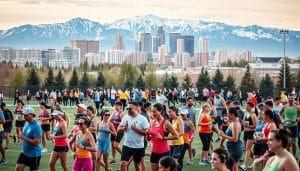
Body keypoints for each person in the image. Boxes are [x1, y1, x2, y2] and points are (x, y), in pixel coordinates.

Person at [117, 101, 149, 171]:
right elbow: (118, 129)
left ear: (136, 108)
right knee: (123, 164)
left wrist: (136, 129)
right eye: (127, 108)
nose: (128, 110)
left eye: (130, 109)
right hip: (127, 145)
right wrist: (123, 128)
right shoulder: (126, 117)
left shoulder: (143, 119)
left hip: (138, 146)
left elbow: (147, 133)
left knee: (137, 165)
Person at [15, 106, 42, 171]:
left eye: (26, 115)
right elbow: (24, 133)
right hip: (25, 152)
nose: (24, 116)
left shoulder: (37, 126)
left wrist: (23, 137)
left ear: (31, 114)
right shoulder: (27, 123)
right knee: (18, 169)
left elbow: (37, 142)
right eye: (24, 115)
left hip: (34, 155)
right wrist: (21, 134)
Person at [241, 101, 258, 170]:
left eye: (247, 106)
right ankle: (256, 160)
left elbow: (255, 126)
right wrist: (242, 123)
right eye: (246, 106)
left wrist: (248, 125)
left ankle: (244, 165)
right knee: (247, 148)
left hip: (251, 133)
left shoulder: (253, 115)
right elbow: (243, 123)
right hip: (245, 132)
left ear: (251, 107)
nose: (246, 107)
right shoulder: (246, 114)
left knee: (248, 148)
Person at [168, 106, 184, 171]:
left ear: (174, 111)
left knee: (174, 162)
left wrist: (175, 138)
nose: (169, 113)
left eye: (170, 112)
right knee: (175, 161)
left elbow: (182, 132)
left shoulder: (179, 119)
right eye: (168, 112)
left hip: (178, 143)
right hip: (172, 143)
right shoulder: (172, 120)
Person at [182, 97, 196, 163]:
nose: (191, 102)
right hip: (183, 128)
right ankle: (181, 158)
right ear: (187, 101)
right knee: (182, 144)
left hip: (190, 129)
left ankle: (190, 159)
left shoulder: (194, 109)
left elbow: (194, 118)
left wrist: (195, 127)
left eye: (192, 101)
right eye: (189, 101)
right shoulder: (183, 109)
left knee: (189, 145)